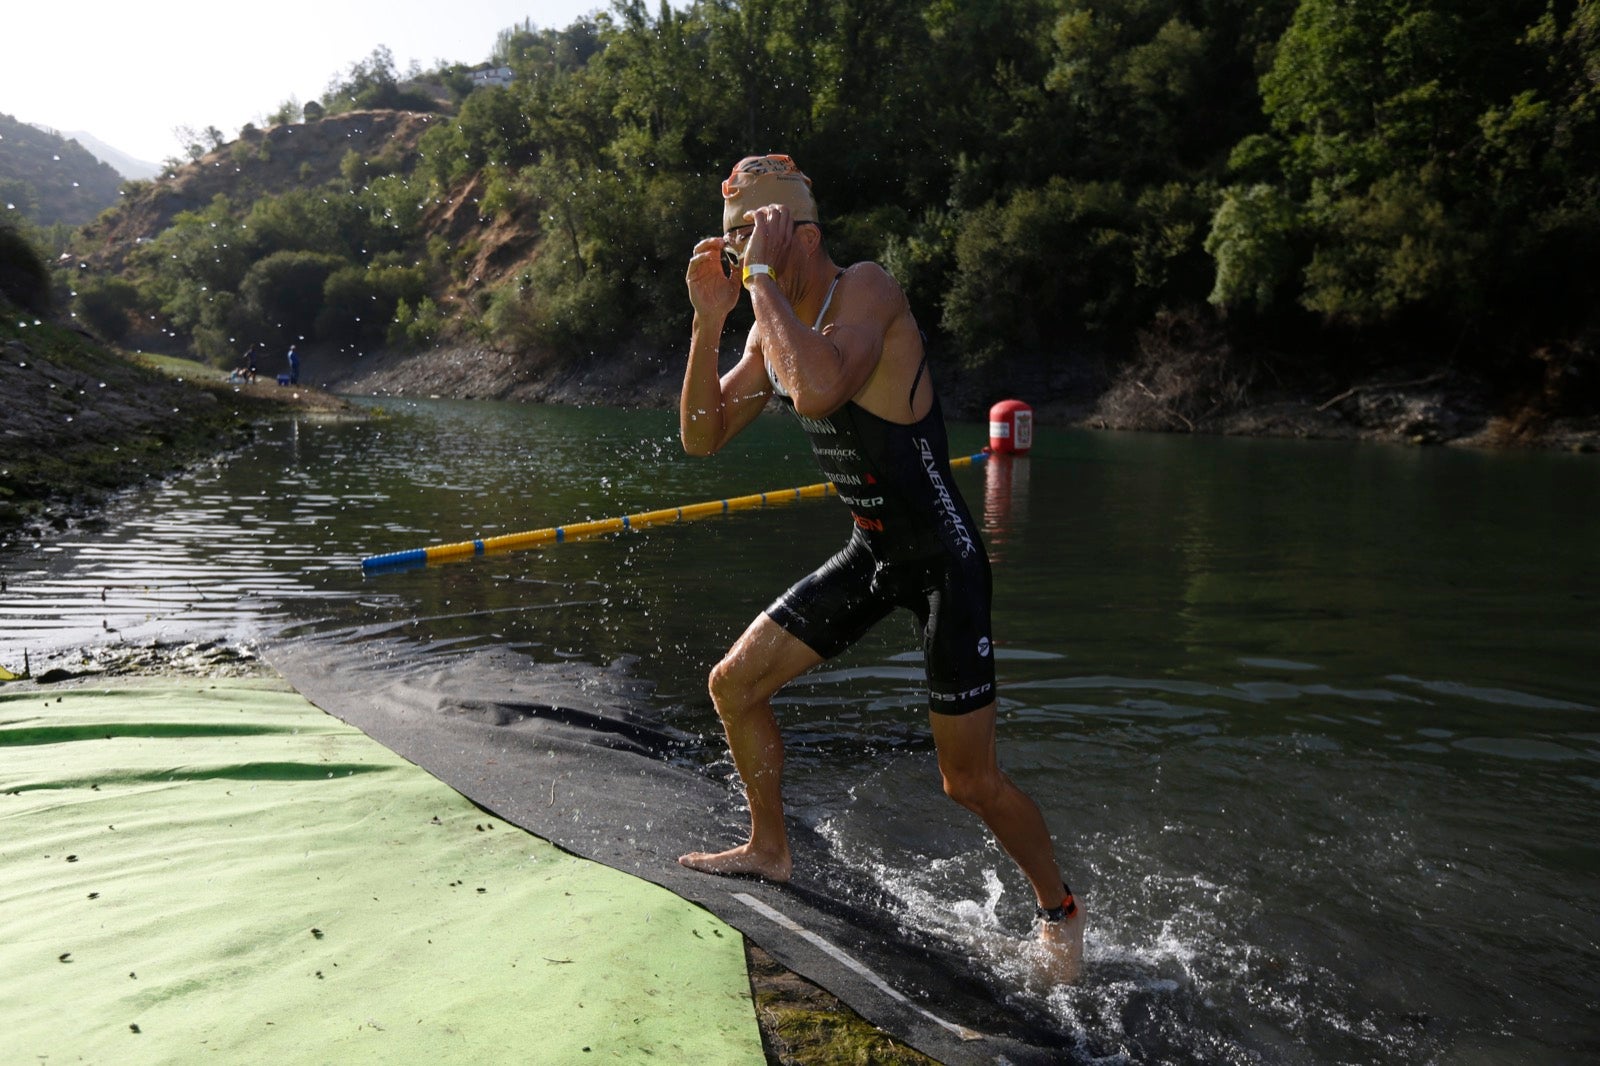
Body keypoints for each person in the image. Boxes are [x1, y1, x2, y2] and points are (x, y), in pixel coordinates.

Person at [678, 154, 1084, 976]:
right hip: (873, 553)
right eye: (732, 239)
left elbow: (821, 387)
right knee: (733, 685)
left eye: (751, 232)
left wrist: (759, 281)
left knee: (967, 782)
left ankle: (1061, 913)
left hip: (943, 562)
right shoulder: (766, 320)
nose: (738, 249)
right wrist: (709, 319)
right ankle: (769, 848)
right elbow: (701, 436)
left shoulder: (864, 289)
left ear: (800, 229)